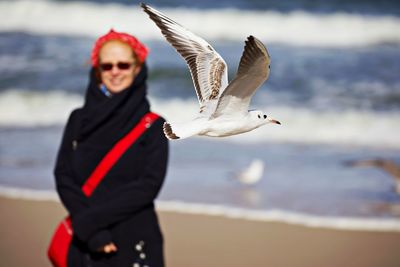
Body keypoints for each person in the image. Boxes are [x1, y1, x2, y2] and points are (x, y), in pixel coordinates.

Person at [54, 29, 168, 267]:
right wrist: (93, 234)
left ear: (137, 69)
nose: (115, 72)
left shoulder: (155, 126)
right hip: (86, 242)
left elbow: (148, 186)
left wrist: (89, 222)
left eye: (123, 65)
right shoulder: (78, 119)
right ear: (97, 72)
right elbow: (63, 176)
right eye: (107, 66)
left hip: (135, 241)